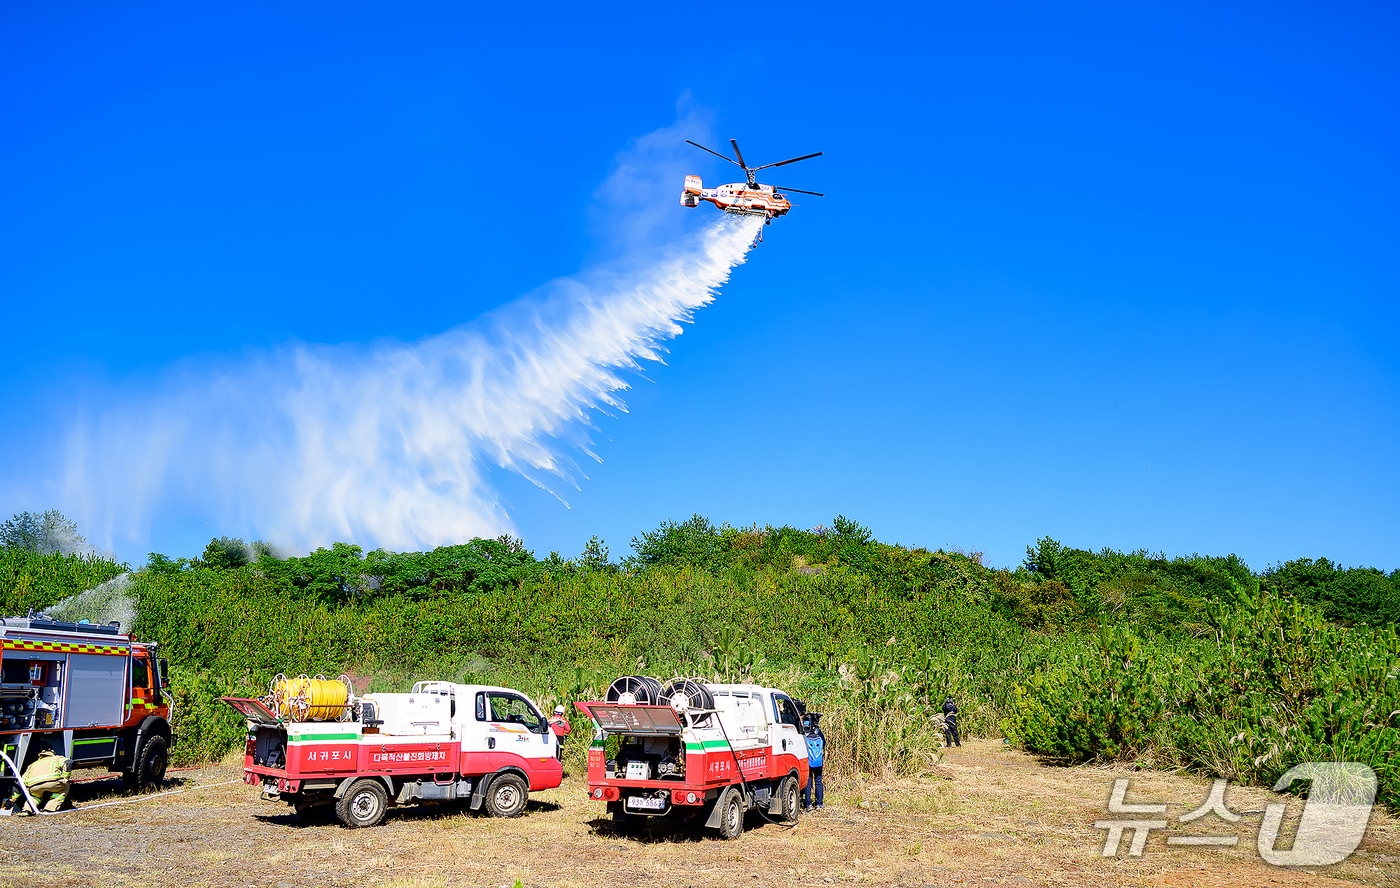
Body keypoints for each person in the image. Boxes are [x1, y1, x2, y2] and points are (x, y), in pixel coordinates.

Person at [1, 745, 71, 815]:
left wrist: (11, 800)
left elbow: (20, 783)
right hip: (52, 783)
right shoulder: (57, 758)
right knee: (64, 788)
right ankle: (49, 809)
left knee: (34, 797)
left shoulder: (32, 764)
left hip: (34, 787)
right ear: (52, 752)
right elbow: (68, 763)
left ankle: (26, 810)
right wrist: (65, 777)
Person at [802, 712, 825, 811]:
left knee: (808, 781)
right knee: (818, 781)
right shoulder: (818, 732)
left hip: (808, 760)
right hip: (818, 760)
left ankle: (808, 804)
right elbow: (823, 743)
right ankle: (819, 803)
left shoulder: (804, 733)